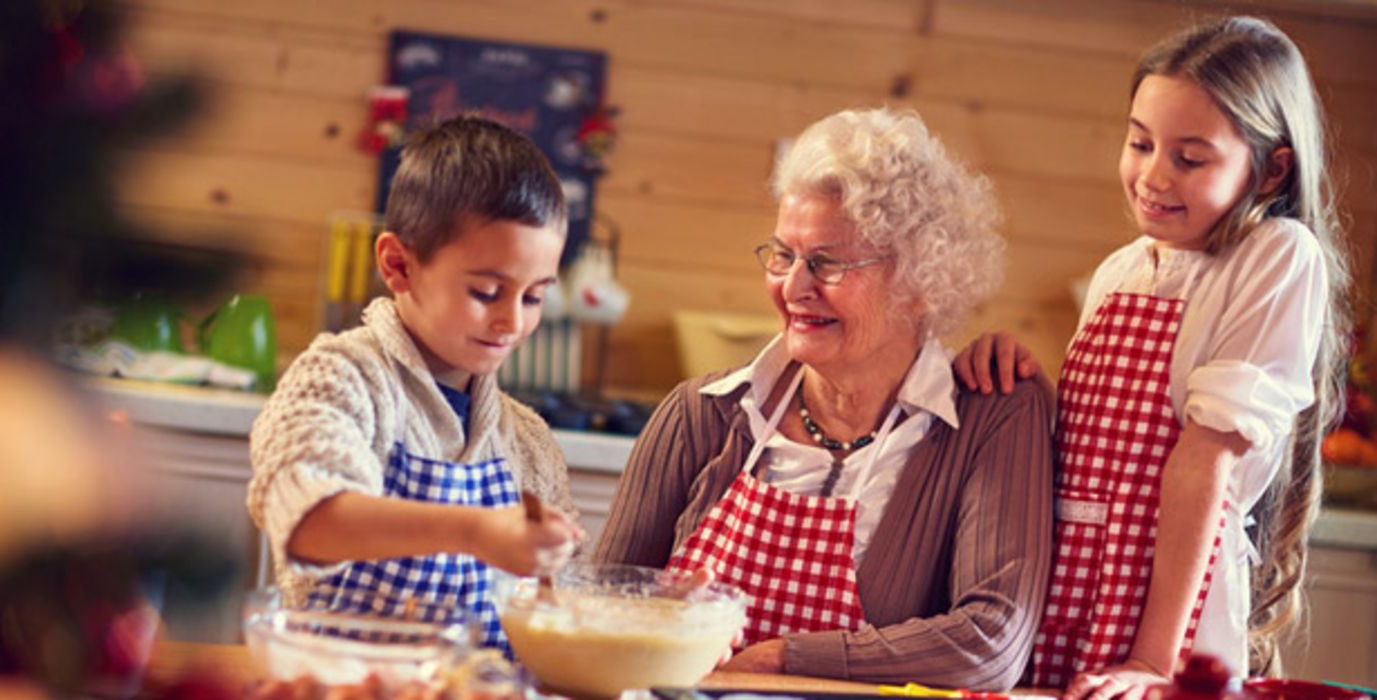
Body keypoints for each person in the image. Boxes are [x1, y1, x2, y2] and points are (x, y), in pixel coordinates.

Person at [953, 17, 1351, 698]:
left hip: (1165, 603)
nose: (1151, 175)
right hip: (1060, 582)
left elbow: (1204, 458)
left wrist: (1153, 662)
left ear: (1270, 168)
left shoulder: (1275, 256)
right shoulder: (1120, 270)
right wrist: (1016, 375)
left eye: (1189, 158)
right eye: (1139, 143)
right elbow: (1087, 446)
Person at [594, 107, 1054, 689]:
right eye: (784, 255)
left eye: (827, 263)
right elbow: (601, 608)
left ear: (918, 281)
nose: (793, 287)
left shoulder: (990, 417)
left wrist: (781, 657)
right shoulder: (701, 413)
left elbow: (990, 644)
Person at [247, 115, 584, 650]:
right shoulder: (341, 379)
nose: (513, 322)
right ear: (399, 265)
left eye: (534, 296)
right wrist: (477, 531)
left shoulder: (529, 442)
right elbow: (310, 521)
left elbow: (557, 606)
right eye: (486, 291)